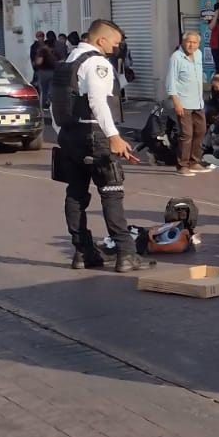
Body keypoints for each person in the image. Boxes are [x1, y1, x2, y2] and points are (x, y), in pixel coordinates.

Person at [51, 18, 151, 273]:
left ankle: (83, 252)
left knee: (76, 193)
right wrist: (113, 135)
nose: (116, 48)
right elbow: (98, 101)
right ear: (100, 40)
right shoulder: (96, 63)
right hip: (94, 134)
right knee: (112, 193)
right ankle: (126, 254)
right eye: (115, 43)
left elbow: (54, 103)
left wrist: (62, 130)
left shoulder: (68, 61)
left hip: (70, 135)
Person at [167, 30, 212, 178]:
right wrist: (176, 102)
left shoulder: (198, 54)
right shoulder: (176, 57)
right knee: (186, 134)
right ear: (183, 42)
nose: (191, 45)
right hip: (183, 102)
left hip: (198, 101)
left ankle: (194, 162)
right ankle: (182, 165)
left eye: (195, 42)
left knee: (200, 131)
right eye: (189, 41)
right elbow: (171, 81)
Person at [32, 37, 59, 110]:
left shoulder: (42, 51)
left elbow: (39, 62)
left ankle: (44, 106)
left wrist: (35, 62)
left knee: (43, 90)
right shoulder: (54, 51)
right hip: (53, 72)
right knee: (51, 89)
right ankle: (51, 104)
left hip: (43, 72)